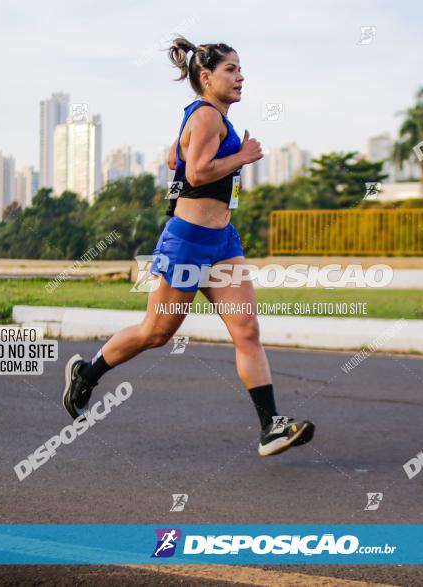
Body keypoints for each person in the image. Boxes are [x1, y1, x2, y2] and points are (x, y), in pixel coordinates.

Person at [62, 36, 314, 456]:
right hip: (187, 244)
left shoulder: (213, 120)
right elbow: (196, 173)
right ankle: (87, 374)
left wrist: (201, 155)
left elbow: (174, 161)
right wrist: (243, 156)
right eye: (230, 69)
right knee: (156, 333)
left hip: (223, 242)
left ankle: (271, 425)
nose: (240, 76)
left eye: (240, 68)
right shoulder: (204, 116)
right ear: (205, 76)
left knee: (247, 331)